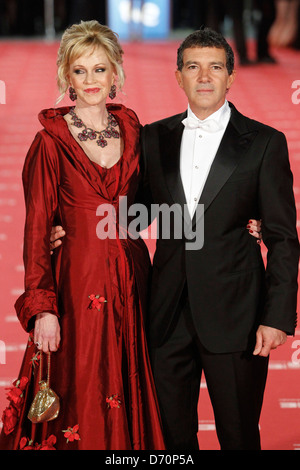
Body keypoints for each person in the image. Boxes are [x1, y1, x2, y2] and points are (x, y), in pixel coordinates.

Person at [0, 20, 165, 450]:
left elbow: (149, 207)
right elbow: (36, 233)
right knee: (78, 396)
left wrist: (238, 219)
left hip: (132, 285)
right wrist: (43, 309)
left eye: (99, 69)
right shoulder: (49, 143)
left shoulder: (133, 131)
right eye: (80, 70)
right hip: (76, 289)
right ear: (66, 76)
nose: (90, 80)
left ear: (115, 73)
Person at [138, 28, 299, 450]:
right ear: (178, 76)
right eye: (193, 67)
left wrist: (278, 316)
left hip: (238, 318)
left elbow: (283, 238)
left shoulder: (264, 143)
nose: (204, 76)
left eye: (215, 67)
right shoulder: (153, 138)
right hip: (166, 316)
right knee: (172, 441)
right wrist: (77, 227)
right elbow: (132, 216)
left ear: (231, 77)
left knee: (239, 435)